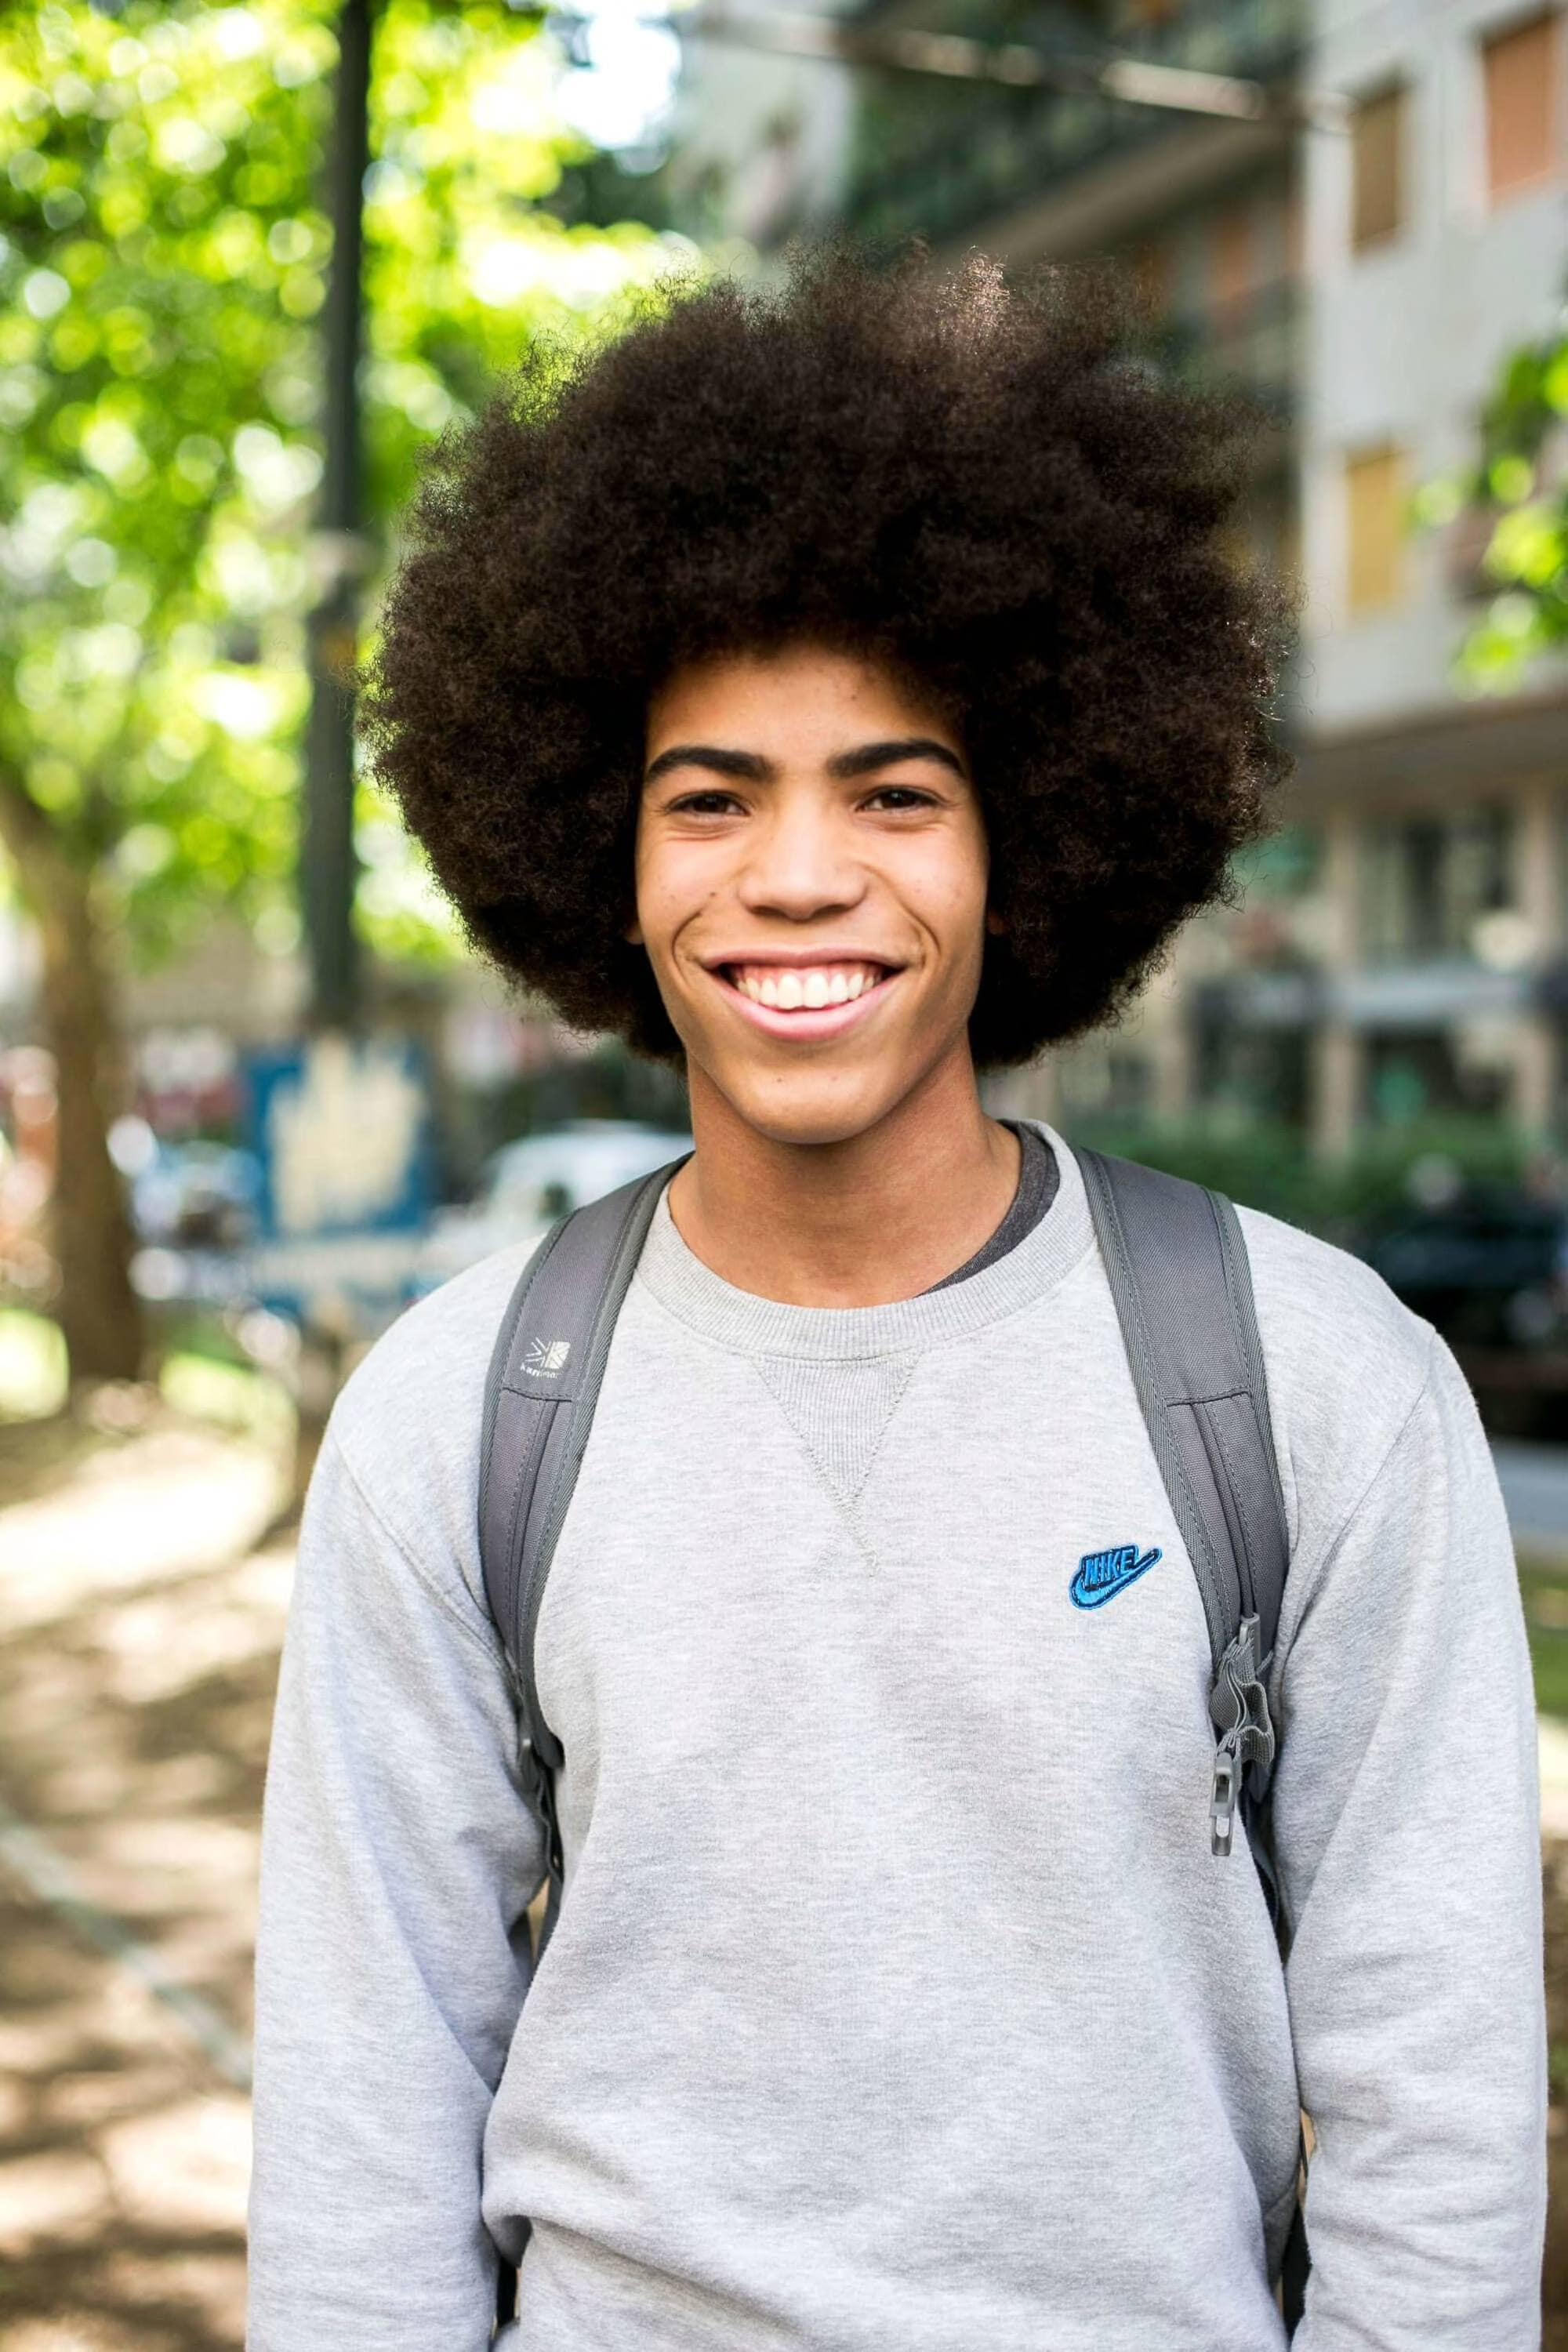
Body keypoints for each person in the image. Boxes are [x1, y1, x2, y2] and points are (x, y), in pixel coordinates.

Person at [246, 252, 1545, 2350]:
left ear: (1022, 835)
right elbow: (362, 2116)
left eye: (893, 790)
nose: (796, 877)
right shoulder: (458, 1417)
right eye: (713, 796)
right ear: (604, 851)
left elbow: (1439, 2124)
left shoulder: (1312, 1390)